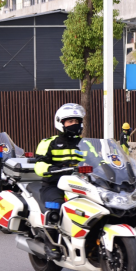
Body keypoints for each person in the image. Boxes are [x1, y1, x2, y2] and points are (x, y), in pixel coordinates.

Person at [34, 103, 86, 260]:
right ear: (61, 123)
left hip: (81, 185)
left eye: (76, 121)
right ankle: (51, 244)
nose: (74, 125)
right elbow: (39, 164)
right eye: (70, 121)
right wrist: (49, 169)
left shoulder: (86, 144)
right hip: (55, 184)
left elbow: (99, 161)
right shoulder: (49, 142)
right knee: (55, 206)